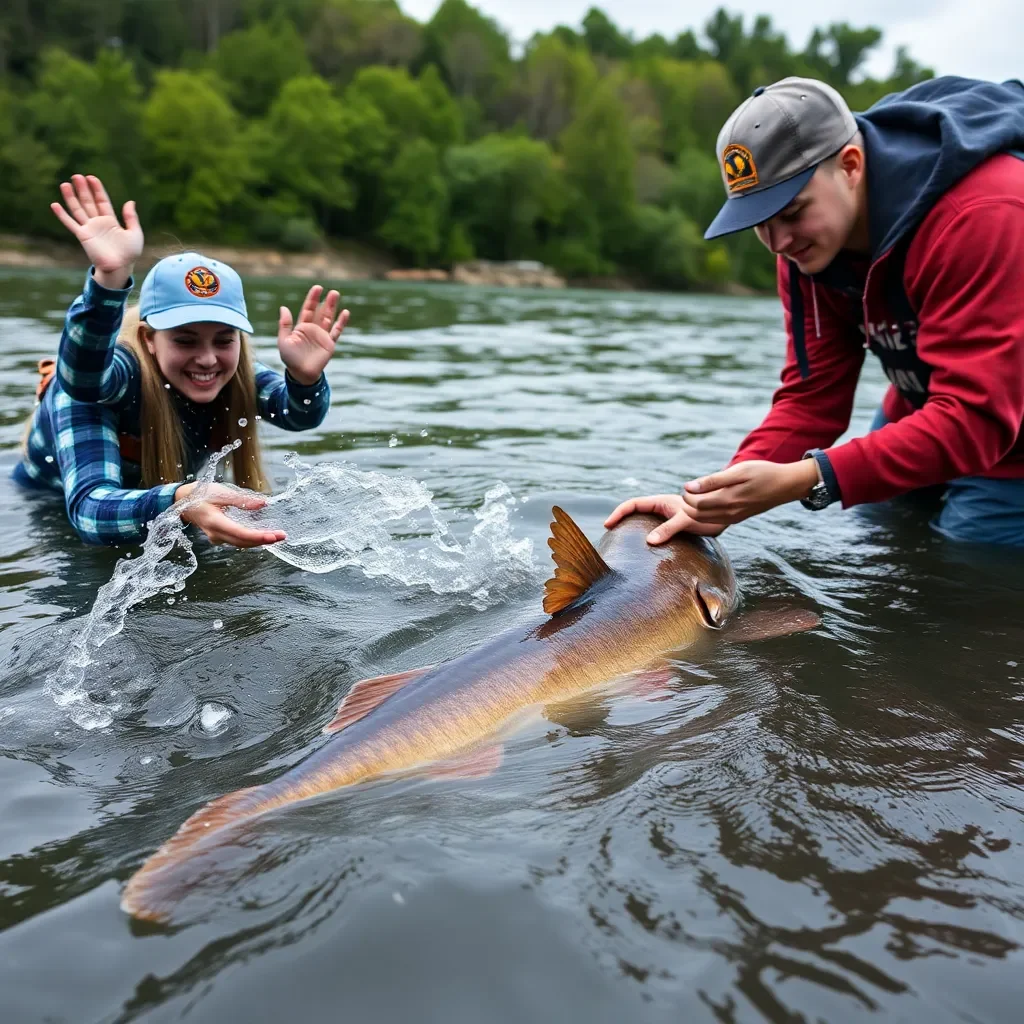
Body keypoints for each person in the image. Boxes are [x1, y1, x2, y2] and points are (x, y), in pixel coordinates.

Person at [606, 75, 1024, 546]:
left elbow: (975, 420)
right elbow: (812, 398)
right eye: (760, 223)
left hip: (1003, 435)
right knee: (879, 540)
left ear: (850, 166)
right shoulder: (805, 249)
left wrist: (809, 476)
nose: (779, 243)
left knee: (967, 572)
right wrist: (710, 497)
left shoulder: (983, 214)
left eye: (792, 211)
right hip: (928, 405)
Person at [13, 173, 350, 548]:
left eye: (224, 340)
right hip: (46, 512)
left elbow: (299, 415)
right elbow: (91, 512)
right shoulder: (112, 380)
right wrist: (109, 280)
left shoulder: (233, 373)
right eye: (185, 341)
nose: (207, 359)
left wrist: (304, 379)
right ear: (149, 339)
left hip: (160, 497)